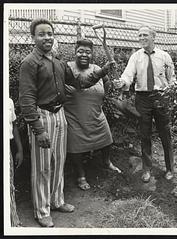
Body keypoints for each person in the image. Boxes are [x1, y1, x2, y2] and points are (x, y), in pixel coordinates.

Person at [19, 18, 114, 227]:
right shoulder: (30, 63)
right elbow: (26, 100)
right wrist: (38, 129)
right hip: (42, 117)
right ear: (33, 37)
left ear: (54, 37)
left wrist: (101, 71)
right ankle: (42, 210)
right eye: (42, 34)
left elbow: (80, 83)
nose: (47, 37)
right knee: (42, 166)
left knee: (58, 161)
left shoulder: (58, 63)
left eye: (50, 34)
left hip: (60, 114)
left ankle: (57, 200)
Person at [114, 25, 177, 183]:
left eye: (145, 35)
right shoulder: (136, 56)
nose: (141, 38)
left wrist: (172, 95)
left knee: (165, 133)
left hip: (161, 97)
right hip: (142, 98)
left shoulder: (164, 56)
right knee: (144, 134)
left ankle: (170, 168)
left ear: (153, 37)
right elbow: (128, 75)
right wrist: (122, 82)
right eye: (139, 35)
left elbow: (172, 79)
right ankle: (147, 169)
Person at [64, 39, 121, 191]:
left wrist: (106, 90)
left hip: (96, 114)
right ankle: (80, 174)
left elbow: (107, 83)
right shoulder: (68, 68)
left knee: (107, 139)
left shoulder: (96, 67)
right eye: (80, 51)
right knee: (76, 147)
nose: (84, 54)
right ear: (74, 52)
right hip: (74, 117)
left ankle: (106, 162)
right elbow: (82, 83)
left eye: (88, 52)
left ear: (92, 54)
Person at [9, 98, 23, 227]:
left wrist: (19, 150)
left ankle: (14, 222)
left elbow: (14, 126)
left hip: (7, 149)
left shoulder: (8, 102)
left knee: (9, 186)